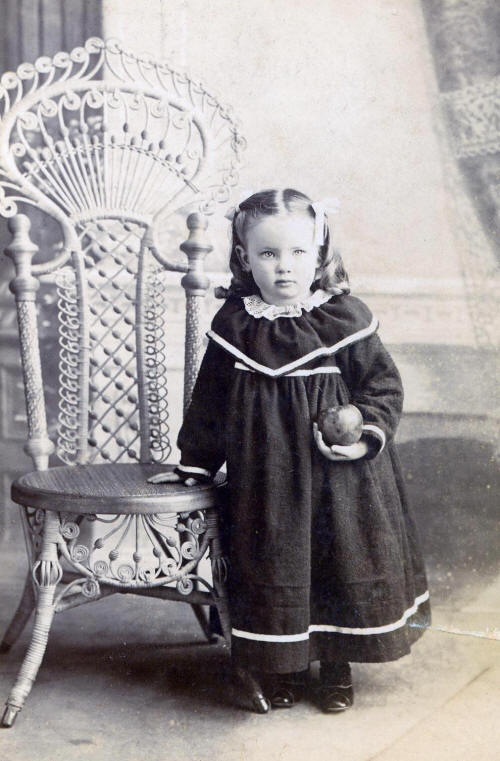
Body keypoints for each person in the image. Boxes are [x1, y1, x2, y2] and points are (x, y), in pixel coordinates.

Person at [149, 188, 430, 713]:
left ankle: (336, 667)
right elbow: (210, 404)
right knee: (274, 561)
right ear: (244, 257)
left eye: (298, 252)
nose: (283, 266)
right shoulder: (235, 325)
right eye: (268, 253)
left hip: (338, 478)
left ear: (319, 253)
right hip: (266, 477)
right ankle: (284, 665)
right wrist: (194, 464)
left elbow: (382, 388)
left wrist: (363, 435)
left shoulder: (343, 319)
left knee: (335, 558)